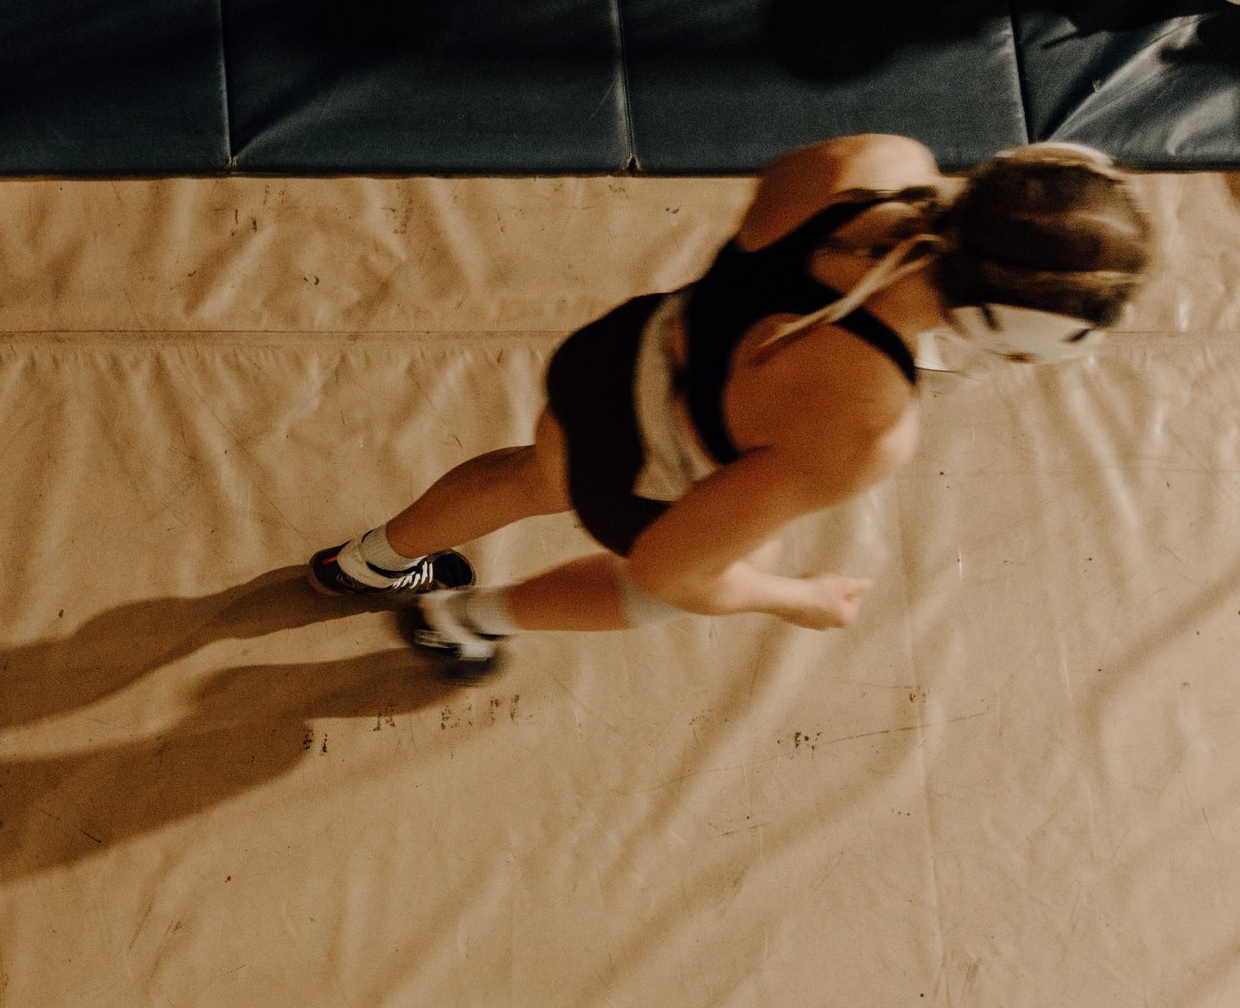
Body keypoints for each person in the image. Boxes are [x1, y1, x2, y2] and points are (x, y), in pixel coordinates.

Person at [306, 133, 1155, 682]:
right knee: (662, 595)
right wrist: (789, 595)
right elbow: (669, 569)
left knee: (532, 473)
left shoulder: (872, 165)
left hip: (616, 358)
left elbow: (779, 196)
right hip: (645, 463)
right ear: (1006, 338)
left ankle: (366, 562)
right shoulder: (869, 422)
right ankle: (458, 623)